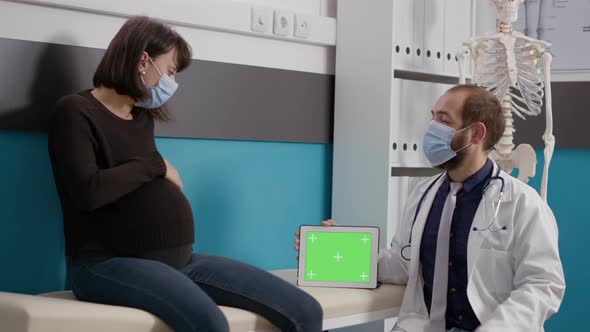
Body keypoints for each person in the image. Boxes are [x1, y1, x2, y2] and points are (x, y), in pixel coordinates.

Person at [48, 16, 322, 332]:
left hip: (181, 261)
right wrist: (156, 165)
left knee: (305, 310)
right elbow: (88, 192)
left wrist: (154, 168)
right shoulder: (75, 111)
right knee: (210, 324)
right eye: (170, 70)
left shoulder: (140, 118)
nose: (171, 82)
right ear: (142, 60)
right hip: (104, 264)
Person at [295, 85, 565, 332]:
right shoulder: (424, 193)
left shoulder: (524, 204)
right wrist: (332, 252)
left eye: (444, 120)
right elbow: (403, 263)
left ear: (476, 133)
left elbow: (543, 285)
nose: (432, 128)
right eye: (433, 117)